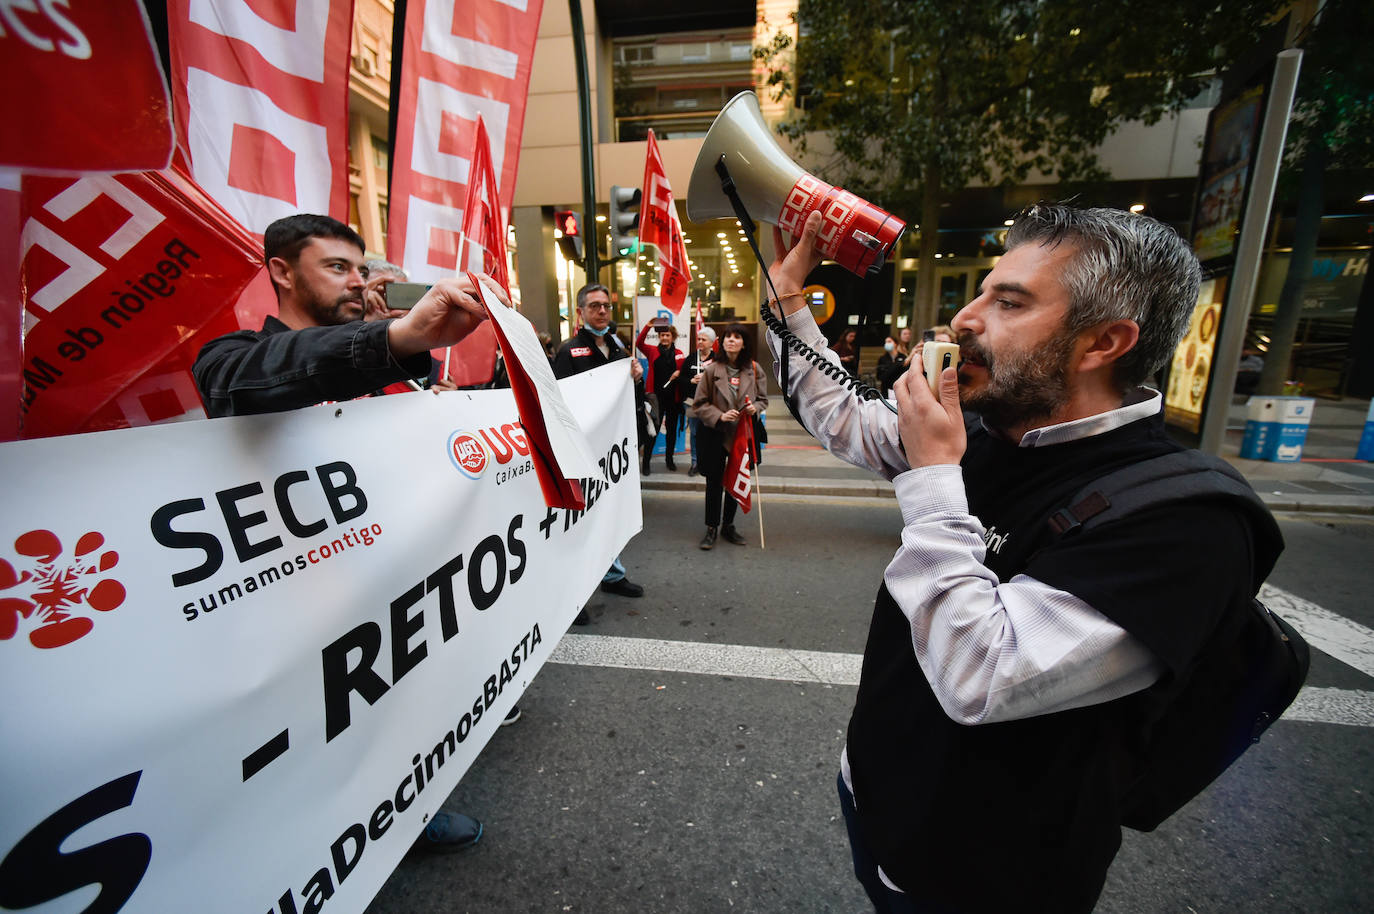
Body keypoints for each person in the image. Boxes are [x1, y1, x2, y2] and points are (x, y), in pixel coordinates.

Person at [764, 204, 1282, 913]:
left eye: (1008, 302)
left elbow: (982, 674)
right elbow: (845, 415)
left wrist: (933, 478)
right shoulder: (987, 429)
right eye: (981, 293)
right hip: (879, 798)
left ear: (1104, 342)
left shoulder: (1191, 523)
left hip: (982, 880)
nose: (965, 318)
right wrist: (786, 299)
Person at [193, 214, 493, 852]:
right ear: (281, 272)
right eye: (336, 267)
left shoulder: (382, 358)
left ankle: (406, 801)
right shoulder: (234, 357)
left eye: (361, 269)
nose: (358, 282)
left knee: (396, 707)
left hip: (393, 586)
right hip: (303, 605)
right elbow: (241, 384)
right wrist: (392, 337)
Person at [552, 283, 647, 616]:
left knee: (610, 514)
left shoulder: (619, 347)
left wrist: (636, 378)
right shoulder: (569, 351)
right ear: (581, 312)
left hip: (613, 450)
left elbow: (627, 401)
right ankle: (575, 594)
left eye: (606, 305)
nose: (602, 311)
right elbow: (559, 402)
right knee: (581, 524)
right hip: (582, 452)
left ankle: (612, 575)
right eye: (594, 306)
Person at [691, 324, 768, 550]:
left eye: (737, 337)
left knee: (736, 479)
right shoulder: (711, 370)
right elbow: (699, 404)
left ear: (744, 343)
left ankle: (728, 525)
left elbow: (763, 400)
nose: (731, 340)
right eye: (728, 337)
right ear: (722, 342)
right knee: (714, 483)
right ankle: (711, 527)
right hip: (714, 433)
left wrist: (755, 408)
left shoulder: (754, 369)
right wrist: (720, 415)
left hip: (742, 435)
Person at [636, 320, 687, 474]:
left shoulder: (679, 354)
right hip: (656, 398)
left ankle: (669, 460)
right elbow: (639, 343)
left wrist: (680, 373)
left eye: (667, 335)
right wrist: (648, 326)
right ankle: (646, 463)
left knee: (671, 431)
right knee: (653, 431)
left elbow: (685, 373)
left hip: (674, 398)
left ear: (673, 337)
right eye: (662, 335)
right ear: (659, 336)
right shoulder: (652, 351)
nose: (664, 338)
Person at [679, 326, 717, 477]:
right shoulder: (691, 358)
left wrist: (708, 379)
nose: (700, 342)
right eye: (699, 339)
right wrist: (691, 381)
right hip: (692, 402)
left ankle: (708, 461)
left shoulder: (717, 360)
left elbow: (723, 381)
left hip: (711, 404)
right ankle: (695, 463)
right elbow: (681, 379)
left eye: (704, 339)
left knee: (710, 434)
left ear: (711, 343)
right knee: (694, 433)